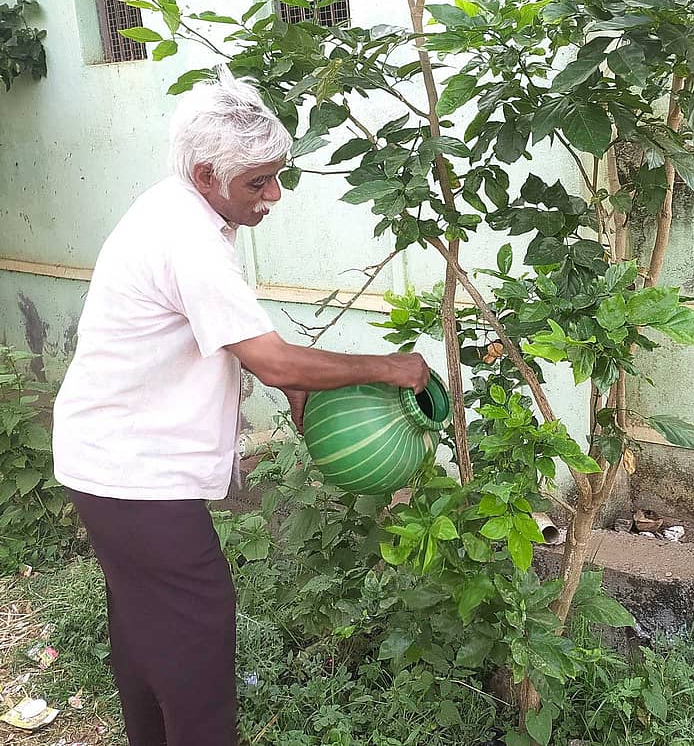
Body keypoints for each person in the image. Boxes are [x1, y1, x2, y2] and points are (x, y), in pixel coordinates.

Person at [51, 69, 429, 746]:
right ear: (206, 174)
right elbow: (272, 357)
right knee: (195, 646)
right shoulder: (190, 242)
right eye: (258, 182)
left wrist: (295, 384)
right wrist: (387, 367)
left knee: (145, 635)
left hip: (104, 464)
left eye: (276, 177)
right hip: (135, 477)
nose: (273, 196)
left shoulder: (176, 209)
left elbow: (242, 344)